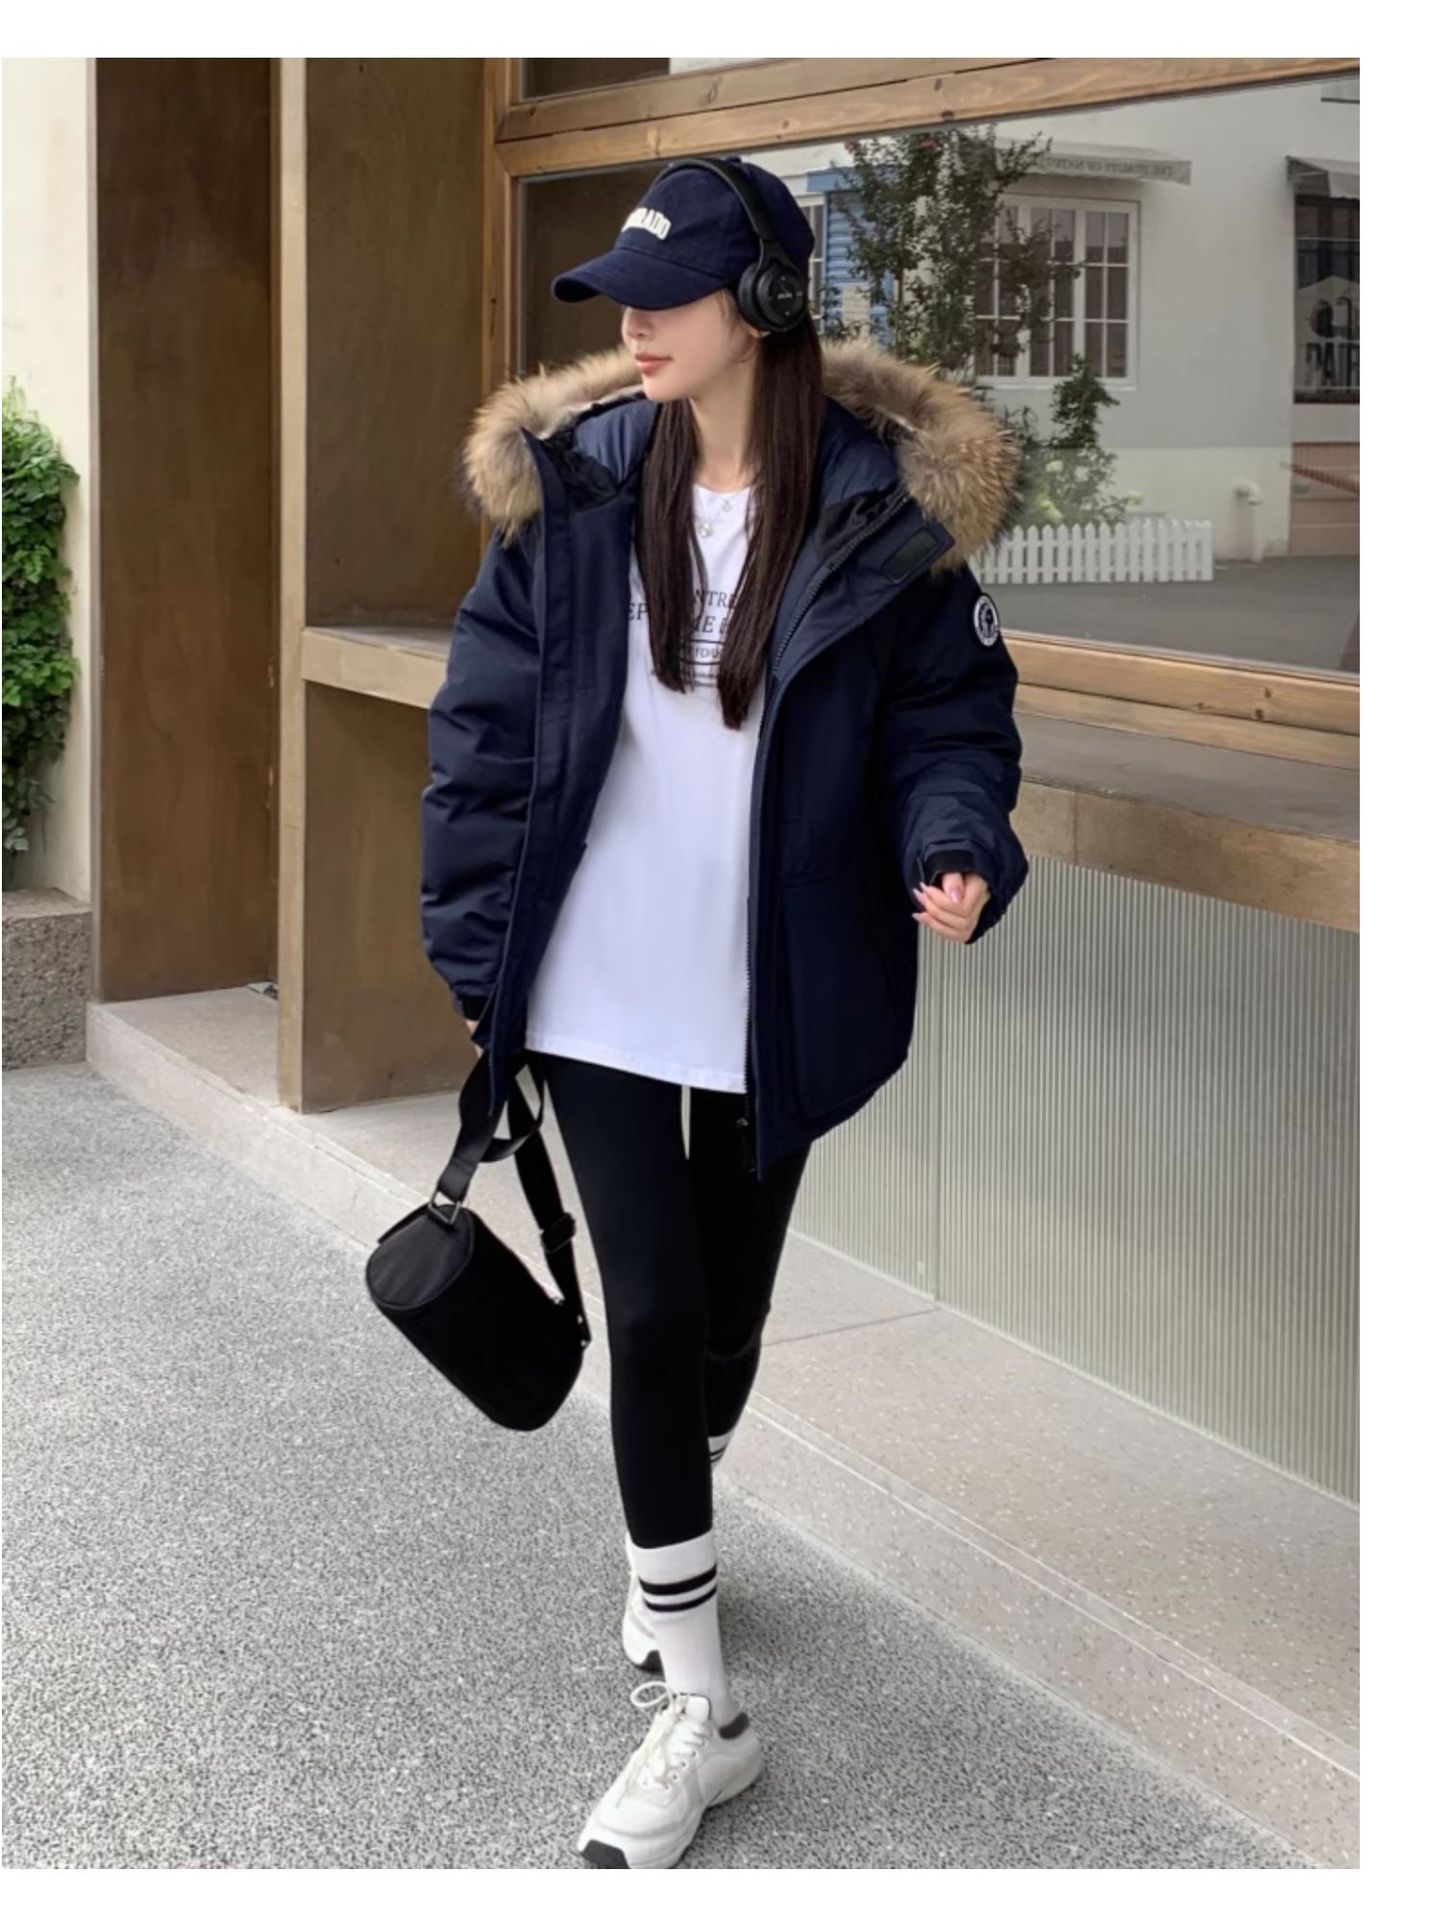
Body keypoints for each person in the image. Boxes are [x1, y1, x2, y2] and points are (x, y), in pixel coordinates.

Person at [420, 153, 1031, 1869]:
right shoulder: (576, 489)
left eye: (665, 295)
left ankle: (668, 1525)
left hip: (778, 980)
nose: (631, 327)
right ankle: (698, 1706)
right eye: (615, 300)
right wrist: (479, 966)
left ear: (760, 305)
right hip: (599, 975)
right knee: (653, 1304)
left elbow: (949, 725)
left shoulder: (878, 511)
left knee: (724, 1321)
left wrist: (953, 842)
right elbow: (480, 739)